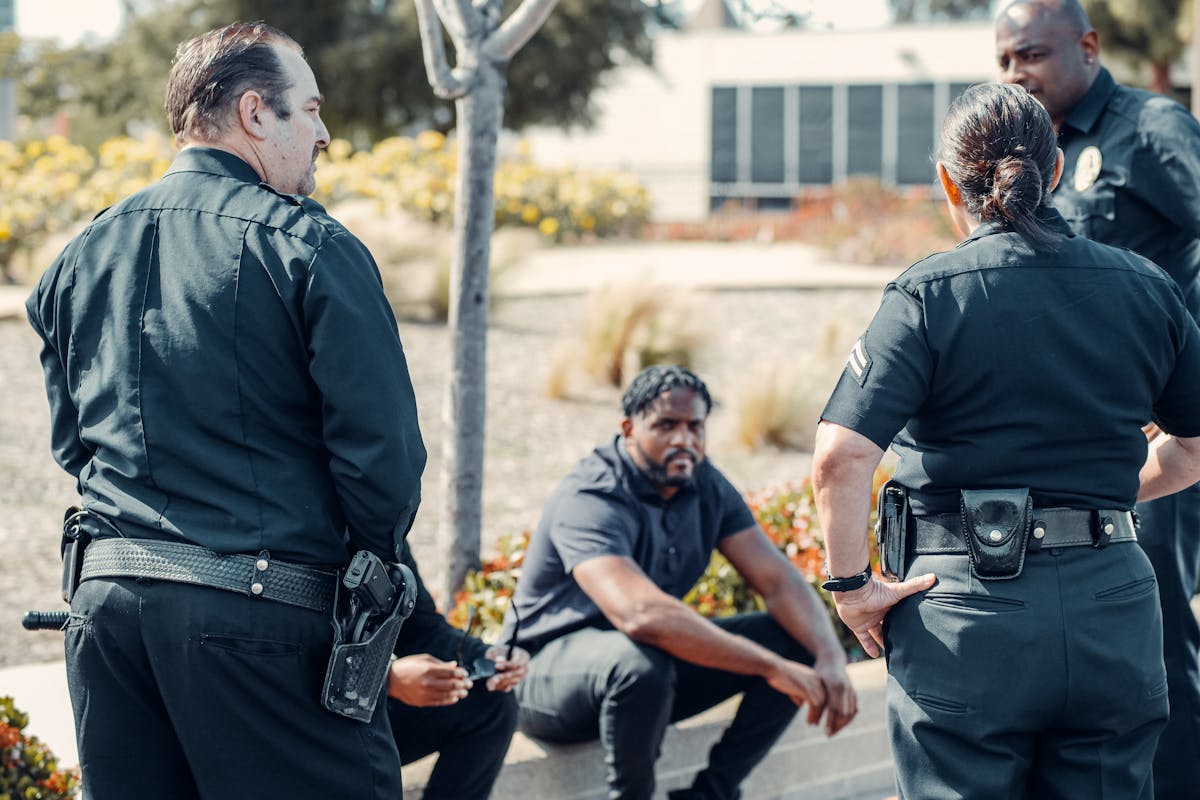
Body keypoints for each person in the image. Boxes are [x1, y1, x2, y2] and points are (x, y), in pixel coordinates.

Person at [25, 22, 426, 799]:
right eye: (307, 110)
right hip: (261, 626)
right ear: (253, 113)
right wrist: (367, 581)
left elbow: (75, 446)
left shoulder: (77, 257)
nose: (324, 132)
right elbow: (384, 462)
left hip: (107, 618)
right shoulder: (310, 246)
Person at [812, 81, 1200, 800]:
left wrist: (852, 588)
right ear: (1054, 172)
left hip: (965, 621)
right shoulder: (1147, 288)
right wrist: (1108, 501)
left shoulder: (926, 295)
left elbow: (840, 457)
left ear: (945, 184)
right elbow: (1194, 448)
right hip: (1112, 613)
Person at [995, 3, 1200, 796]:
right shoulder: (1040, 150)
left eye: (1031, 55)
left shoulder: (1152, 127)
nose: (1015, 74)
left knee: (1156, 628)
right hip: (1079, 437)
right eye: (1005, 59)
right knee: (1099, 632)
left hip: (1156, 435)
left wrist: (1180, 385)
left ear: (1087, 46)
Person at [499, 365, 856, 800]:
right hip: (543, 676)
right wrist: (769, 668)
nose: (684, 439)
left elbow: (778, 582)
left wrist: (831, 656)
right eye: (666, 425)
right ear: (629, 428)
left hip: (645, 671)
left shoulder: (703, 482)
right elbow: (641, 616)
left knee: (796, 640)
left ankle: (711, 794)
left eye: (694, 426)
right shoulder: (593, 494)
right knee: (639, 666)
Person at [385, 541, 530, 799]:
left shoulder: (374, 527)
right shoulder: (298, 527)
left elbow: (422, 629)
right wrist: (386, 680)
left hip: (368, 710)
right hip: (303, 723)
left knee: (488, 701)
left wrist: (486, 655)